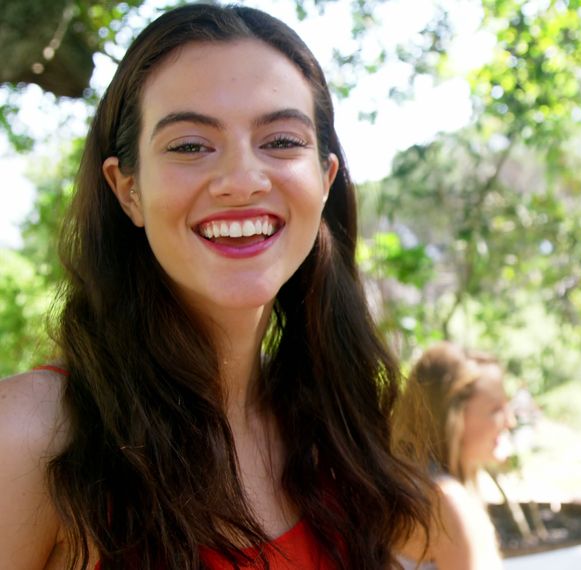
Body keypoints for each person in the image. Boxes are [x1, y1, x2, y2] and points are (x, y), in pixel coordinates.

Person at [0, 4, 432, 568]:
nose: (242, 181)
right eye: (190, 146)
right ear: (127, 189)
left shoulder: (344, 436)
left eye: (280, 141)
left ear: (324, 181)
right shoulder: (30, 434)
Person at [393, 341, 515, 569]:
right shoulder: (449, 503)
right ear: (454, 418)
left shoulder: (407, 487)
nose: (510, 421)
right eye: (496, 409)